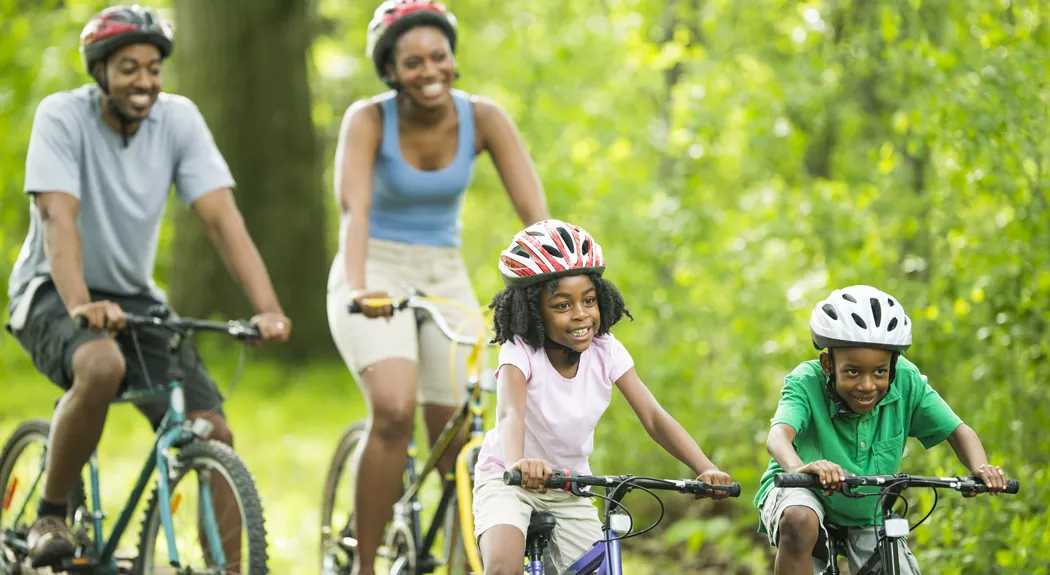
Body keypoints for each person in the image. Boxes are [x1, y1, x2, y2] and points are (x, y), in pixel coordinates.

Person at [5, 5, 291, 569]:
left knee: (211, 429)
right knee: (101, 367)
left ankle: (235, 569)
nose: (145, 80)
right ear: (100, 72)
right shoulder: (61, 116)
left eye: (154, 68)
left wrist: (267, 308)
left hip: (133, 295)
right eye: (129, 67)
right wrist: (80, 304)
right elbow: (58, 219)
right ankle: (51, 512)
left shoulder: (179, 120)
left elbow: (223, 220)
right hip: (52, 287)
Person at [325, 0, 549, 572]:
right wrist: (357, 287)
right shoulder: (368, 120)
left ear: (453, 59)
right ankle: (365, 563)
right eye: (412, 62)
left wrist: (556, 282)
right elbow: (355, 210)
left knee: (464, 435)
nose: (429, 71)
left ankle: (462, 556)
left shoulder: (484, 118)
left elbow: (534, 213)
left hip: (441, 270)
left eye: (439, 57)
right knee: (395, 410)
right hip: (373, 267)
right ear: (390, 70)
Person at [472, 220, 735, 574]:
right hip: (510, 479)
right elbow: (510, 414)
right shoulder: (519, 351)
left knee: (597, 567)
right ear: (534, 312)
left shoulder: (605, 350)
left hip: (569, 486)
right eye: (563, 305)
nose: (581, 314)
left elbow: (653, 417)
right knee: (504, 566)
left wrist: (704, 467)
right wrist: (518, 463)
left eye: (589, 301)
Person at [754, 285, 1009, 575]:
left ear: (894, 365)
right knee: (799, 521)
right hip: (801, 490)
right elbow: (778, 437)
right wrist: (799, 468)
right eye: (852, 372)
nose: (867, 385)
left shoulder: (908, 382)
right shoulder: (806, 381)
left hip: (866, 509)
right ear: (828, 364)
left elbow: (957, 430)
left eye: (880, 372)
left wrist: (981, 467)